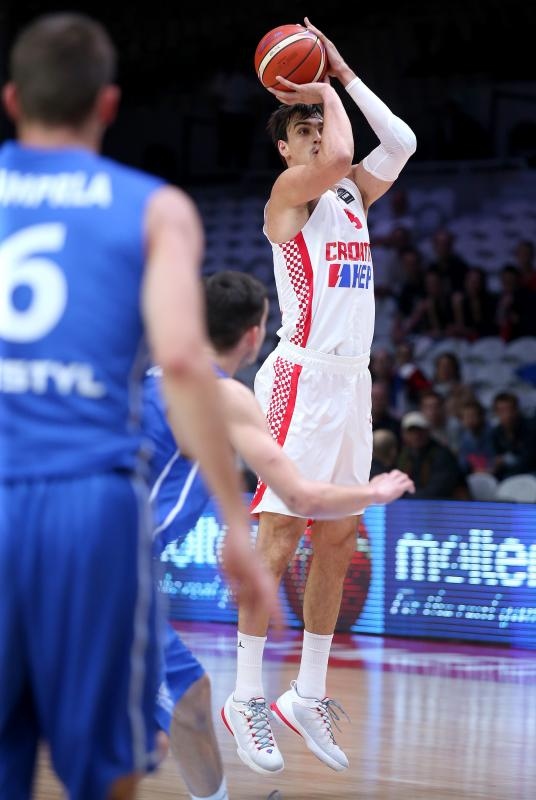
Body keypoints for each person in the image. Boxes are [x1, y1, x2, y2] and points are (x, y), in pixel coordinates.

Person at [0, 14, 276, 800]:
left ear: (14, 99)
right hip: (92, 507)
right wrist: (234, 524)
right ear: (110, 105)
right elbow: (186, 362)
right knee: (106, 762)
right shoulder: (154, 208)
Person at [225, 16, 417, 776]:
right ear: (284, 147)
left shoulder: (351, 197)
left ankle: (304, 693)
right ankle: (244, 695)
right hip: (300, 378)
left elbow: (396, 141)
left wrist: (342, 72)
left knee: (337, 539)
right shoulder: (291, 197)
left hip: (351, 382)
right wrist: (323, 87)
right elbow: (341, 150)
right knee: (279, 536)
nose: (316, 134)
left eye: (317, 122)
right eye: (299, 126)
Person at [145, 270, 414, 796]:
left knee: (185, 706)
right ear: (255, 335)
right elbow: (305, 497)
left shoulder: (141, 375)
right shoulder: (227, 400)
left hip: (55, 549)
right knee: (155, 719)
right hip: (96, 573)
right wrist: (374, 493)